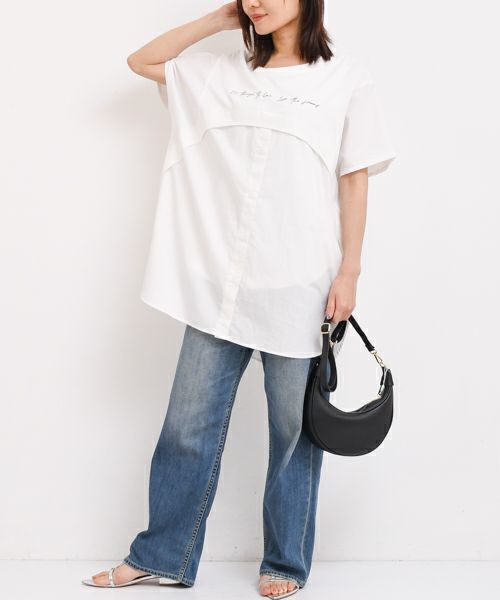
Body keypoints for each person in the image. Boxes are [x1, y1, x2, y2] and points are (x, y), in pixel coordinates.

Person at [81, 1, 396, 598]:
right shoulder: (222, 73)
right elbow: (141, 61)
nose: (257, 0)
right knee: (186, 425)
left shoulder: (345, 79)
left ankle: (285, 563)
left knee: (295, 433)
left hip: (300, 286)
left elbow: (353, 178)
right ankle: (163, 555)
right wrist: (218, 22)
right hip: (219, 287)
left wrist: (350, 271)